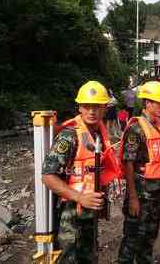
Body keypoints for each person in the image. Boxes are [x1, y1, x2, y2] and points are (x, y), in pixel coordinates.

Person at [41, 81, 121, 264]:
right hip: (71, 215)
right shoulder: (69, 136)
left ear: (105, 108)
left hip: (89, 212)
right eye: (86, 106)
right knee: (70, 258)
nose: (91, 111)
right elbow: (47, 176)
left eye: (97, 107)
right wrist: (79, 197)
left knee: (89, 256)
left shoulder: (98, 133)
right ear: (79, 107)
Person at [117, 81, 160, 264]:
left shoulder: (159, 126)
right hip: (141, 193)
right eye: (159, 102)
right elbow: (128, 164)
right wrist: (132, 197)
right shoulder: (136, 129)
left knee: (149, 236)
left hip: (157, 191)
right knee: (132, 238)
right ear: (147, 103)